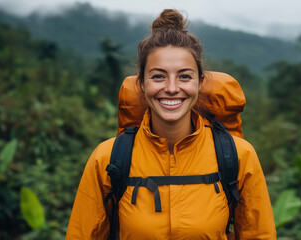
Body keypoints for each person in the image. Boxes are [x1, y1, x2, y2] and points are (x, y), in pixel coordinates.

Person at [66, 9, 276, 240]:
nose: (172, 88)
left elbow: (259, 234)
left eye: (185, 76)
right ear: (142, 84)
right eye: (158, 76)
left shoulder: (238, 156)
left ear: (200, 82)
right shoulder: (107, 158)